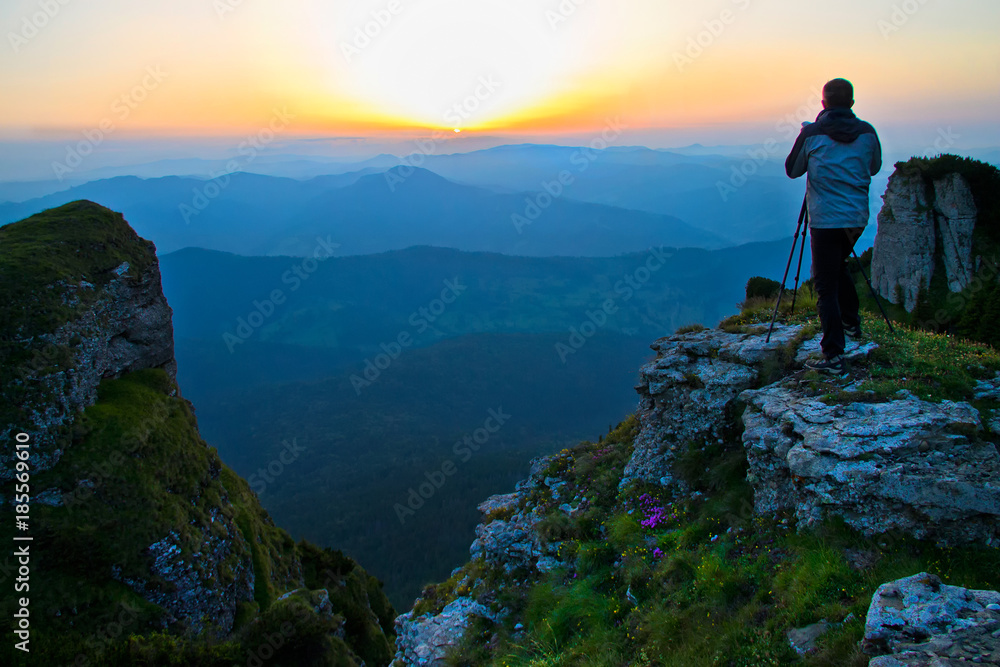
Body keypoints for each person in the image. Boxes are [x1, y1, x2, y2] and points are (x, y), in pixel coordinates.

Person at [785, 77, 882, 374]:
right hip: (856, 218)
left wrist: (804, 136)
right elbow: (874, 167)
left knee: (824, 284)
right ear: (851, 103)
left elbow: (792, 170)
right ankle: (851, 322)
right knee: (837, 266)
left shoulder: (812, 134)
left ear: (823, 103)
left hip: (825, 220)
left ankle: (833, 356)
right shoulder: (867, 133)